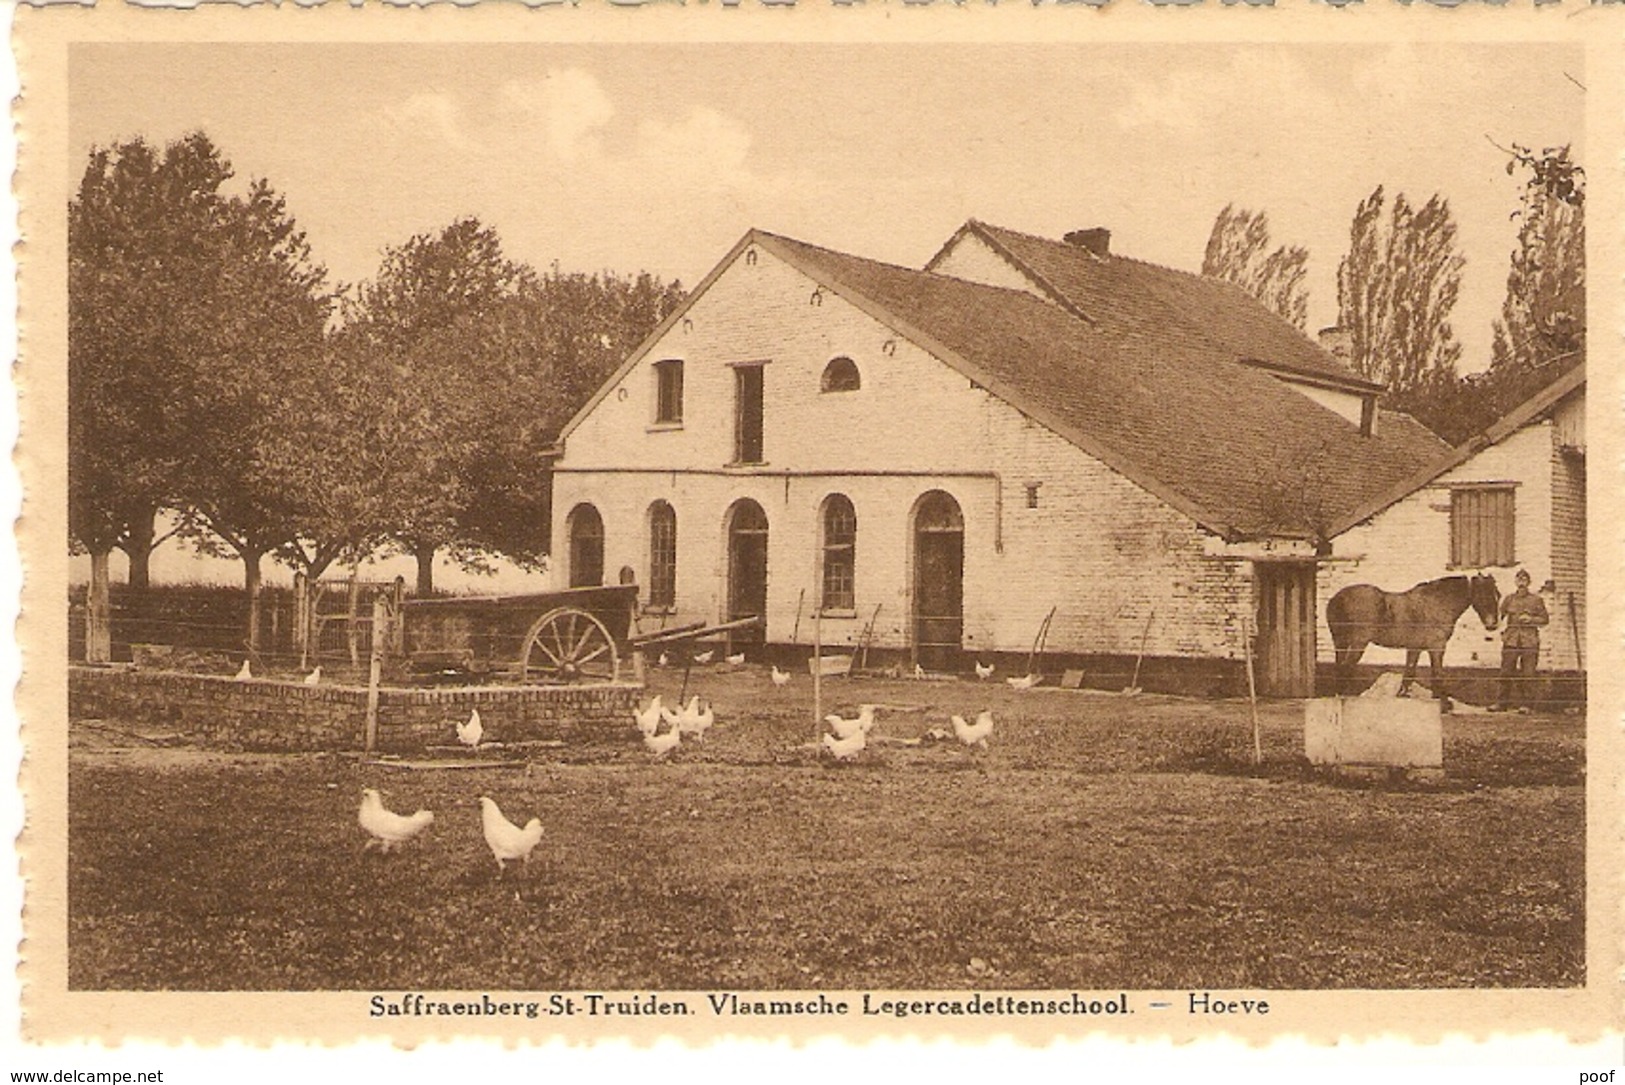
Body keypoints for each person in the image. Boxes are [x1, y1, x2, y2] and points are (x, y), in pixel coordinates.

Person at [1494, 569, 1549, 711]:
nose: (1521, 583)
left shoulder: (1536, 600)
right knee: (1505, 672)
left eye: (1524, 580)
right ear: (1515, 582)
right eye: (1519, 579)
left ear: (1528, 582)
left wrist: (1531, 619)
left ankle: (1526, 705)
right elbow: (1499, 617)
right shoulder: (1509, 599)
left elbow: (1544, 620)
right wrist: (1501, 632)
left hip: (1529, 641)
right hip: (1511, 640)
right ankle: (1501, 703)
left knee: (1528, 673)